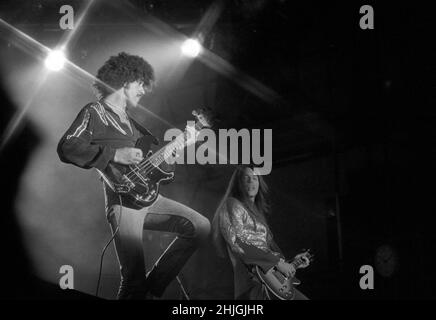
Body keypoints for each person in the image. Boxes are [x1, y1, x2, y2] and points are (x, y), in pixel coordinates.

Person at [57, 52, 210, 299]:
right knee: (132, 278)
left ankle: (153, 289)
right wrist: (116, 155)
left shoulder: (135, 126)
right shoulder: (94, 112)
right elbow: (67, 147)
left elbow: (158, 171)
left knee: (200, 227)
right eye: (141, 84)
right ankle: (139, 289)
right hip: (123, 202)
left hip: (150, 199)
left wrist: (179, 148)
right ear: (125, 81)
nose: (144, 90)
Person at [212, 165, 309, 300]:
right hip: (253, 284)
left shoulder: (257, 215)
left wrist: (293, 263)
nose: (251, 182)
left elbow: (267, 255)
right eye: (246, 179)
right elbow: (239, 244)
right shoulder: (232, 204)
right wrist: (279, 263)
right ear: (238, 184)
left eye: (254, 178)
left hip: (270, 282)